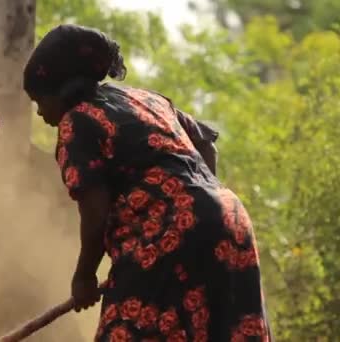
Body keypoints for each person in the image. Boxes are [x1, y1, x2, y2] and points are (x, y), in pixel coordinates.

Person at [23, 24, 272, 341]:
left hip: (166, 237)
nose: (41, 112)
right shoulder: (144, 99)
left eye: (40, 100)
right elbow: (206, 144)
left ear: (62, 90)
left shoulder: (78, 122)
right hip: (229, 219)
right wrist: (200, 207)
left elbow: (95, 212)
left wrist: (84, 277)